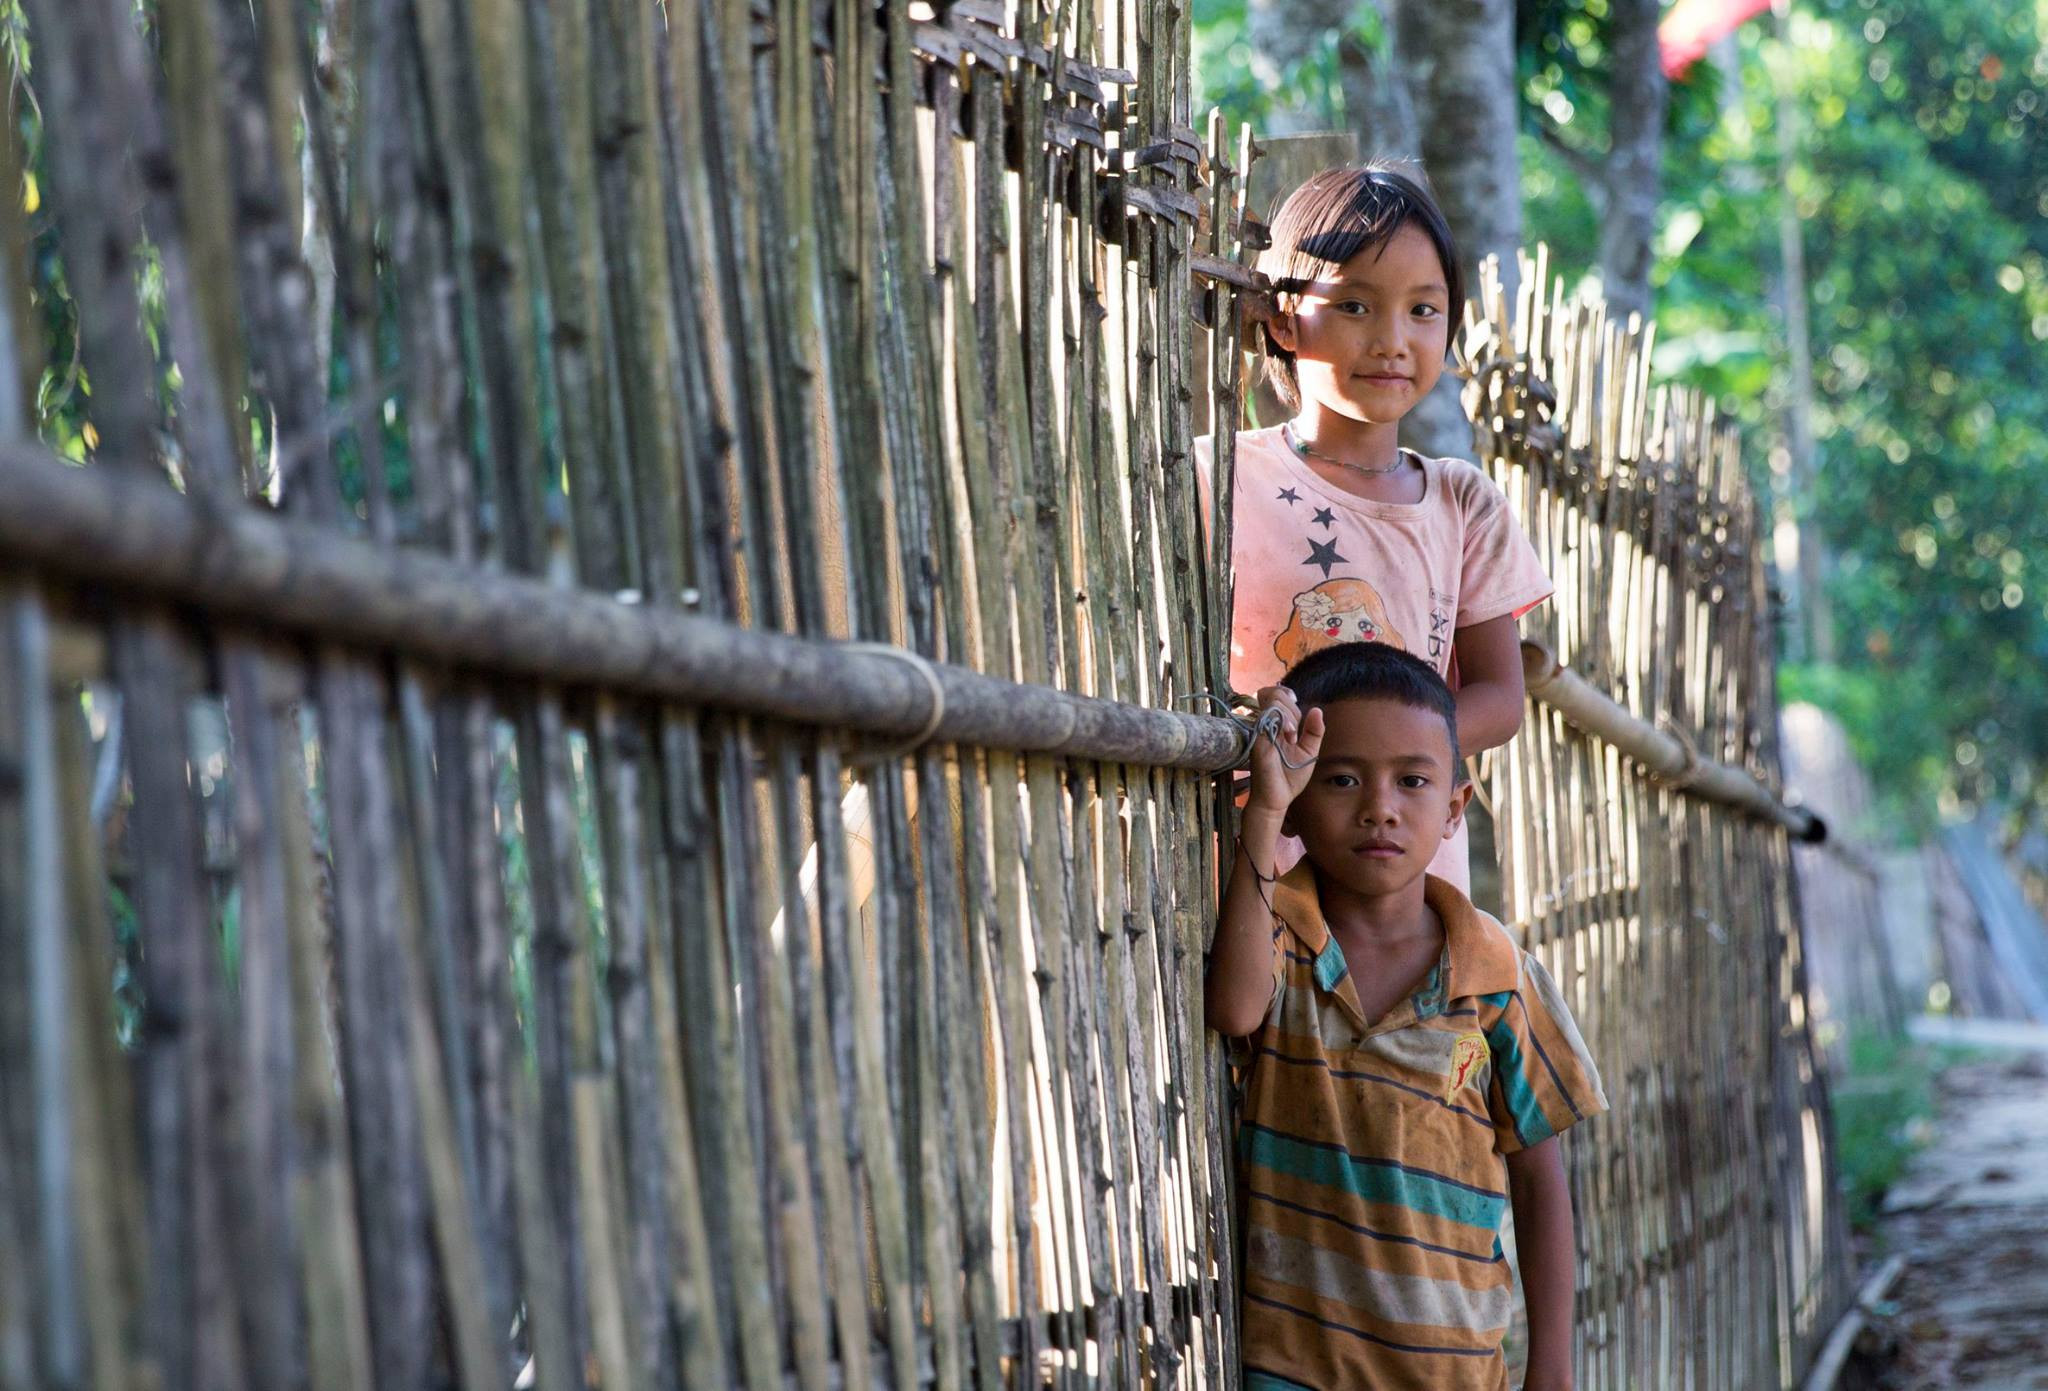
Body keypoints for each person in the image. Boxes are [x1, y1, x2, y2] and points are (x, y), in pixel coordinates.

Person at [1206, 642, 1604, 1391]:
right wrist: (1264, 808)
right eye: (1343, 778)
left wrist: (1551, 1365)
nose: (1378, 807)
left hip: (1452, 1368)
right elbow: (1234, 1008)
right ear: (1299, 791)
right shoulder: (1279, 931)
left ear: (1454, 807)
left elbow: (1540, 1180)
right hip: (1294, 1366)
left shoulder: (1497, 978)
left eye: (1412, 780)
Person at [1195, 161, 1551, 894]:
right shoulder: (1217, 478)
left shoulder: (1461, 503)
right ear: (1286, 318)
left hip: (1406, 885)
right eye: (1356, 306)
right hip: (1254, 864)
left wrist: (1377, 761)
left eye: (1423, 310)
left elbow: (1500, 697)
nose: (1393, 340)